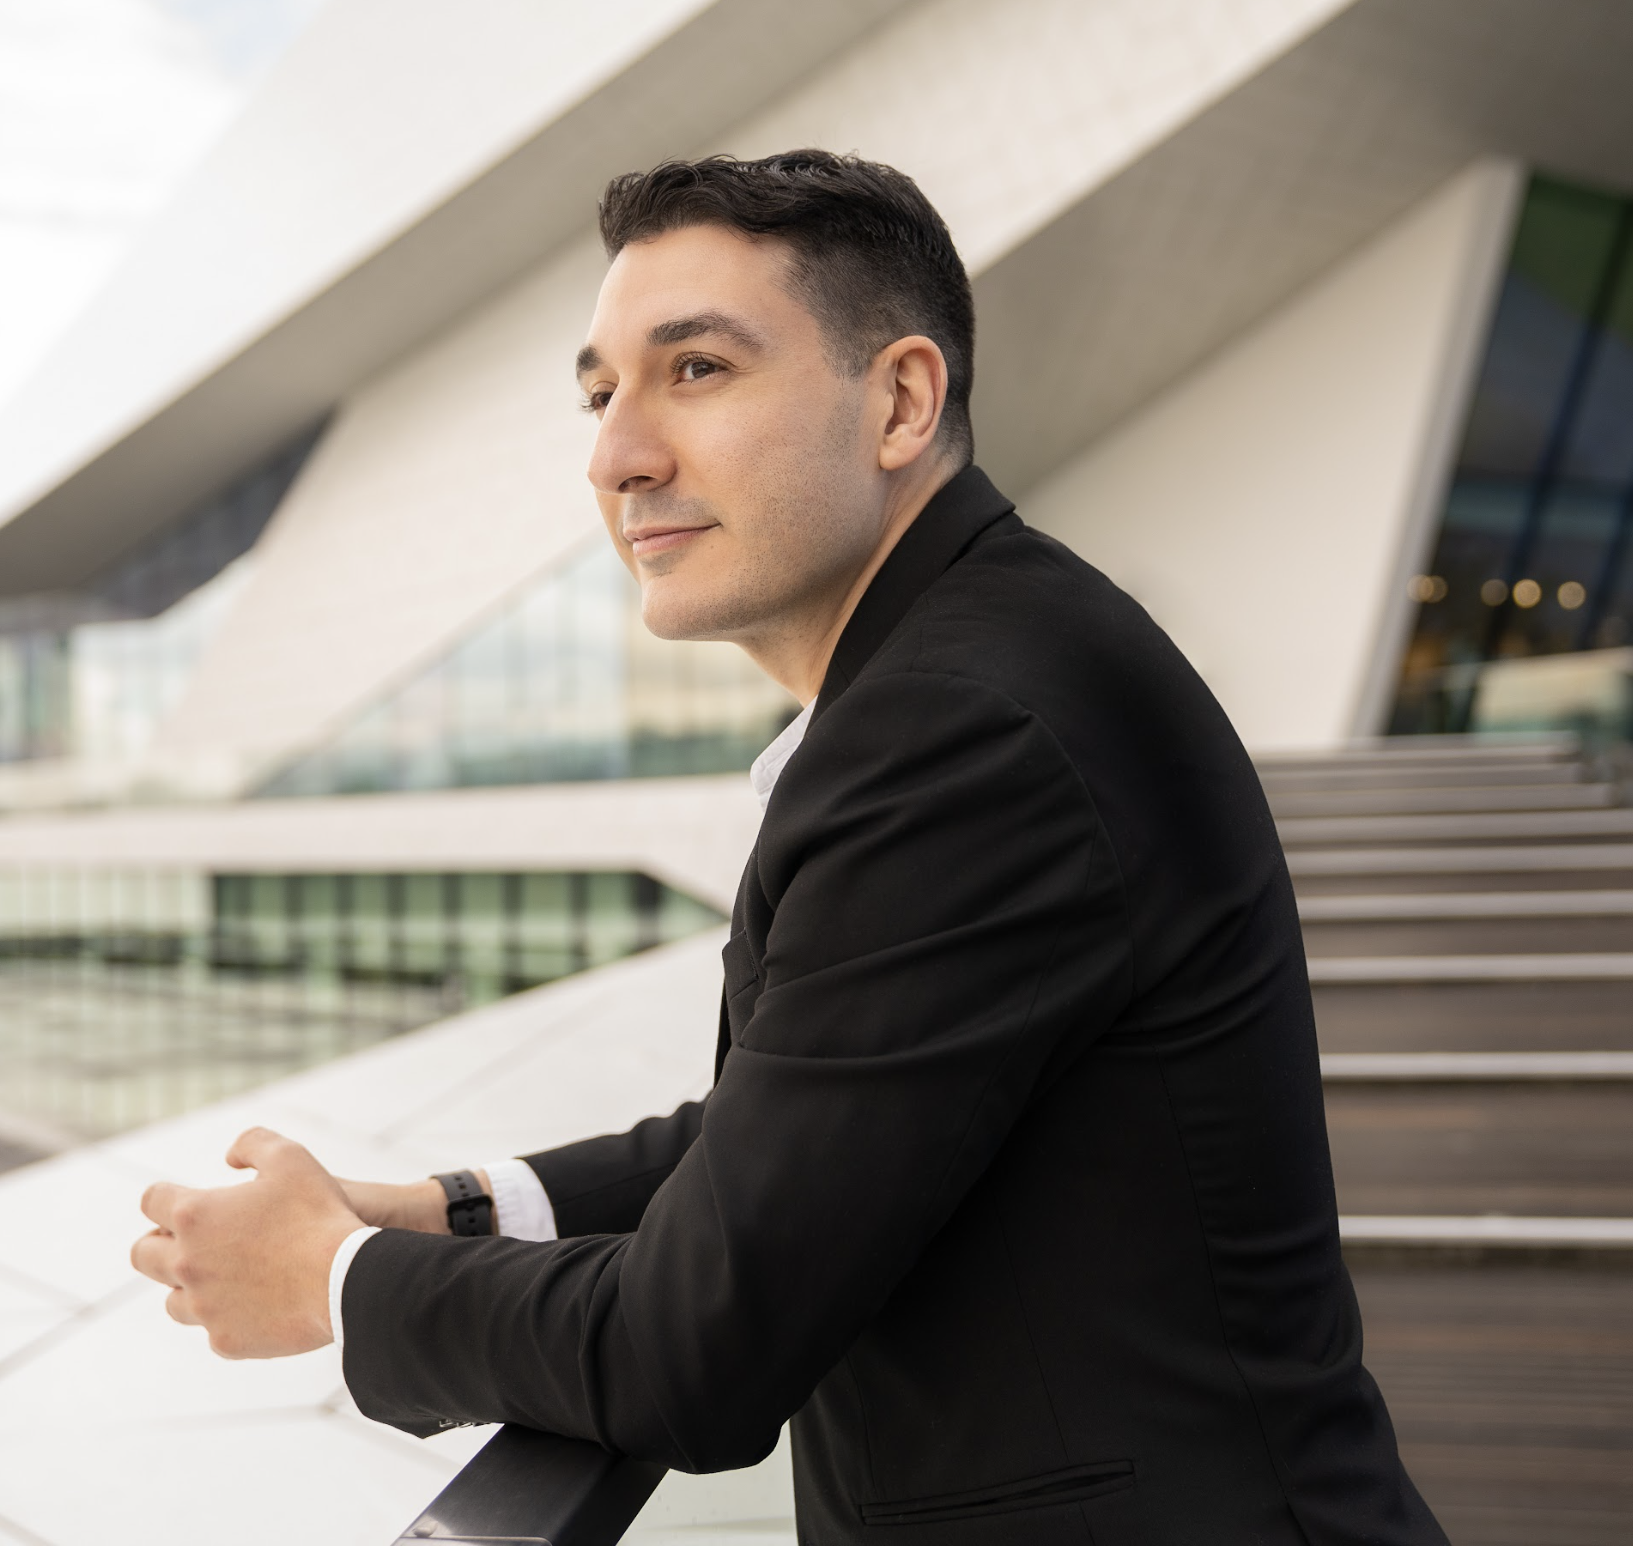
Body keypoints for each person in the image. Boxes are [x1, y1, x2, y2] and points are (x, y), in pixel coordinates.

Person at [131, 150, 1446, 1545]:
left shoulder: (962, 731)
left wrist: (338, 1276)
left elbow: (692, 1354)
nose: (617, 457)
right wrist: (456, 1206)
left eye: (694, 370)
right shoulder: (974, 662)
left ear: (898, 400)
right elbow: (808, 1114)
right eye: (599, 391)